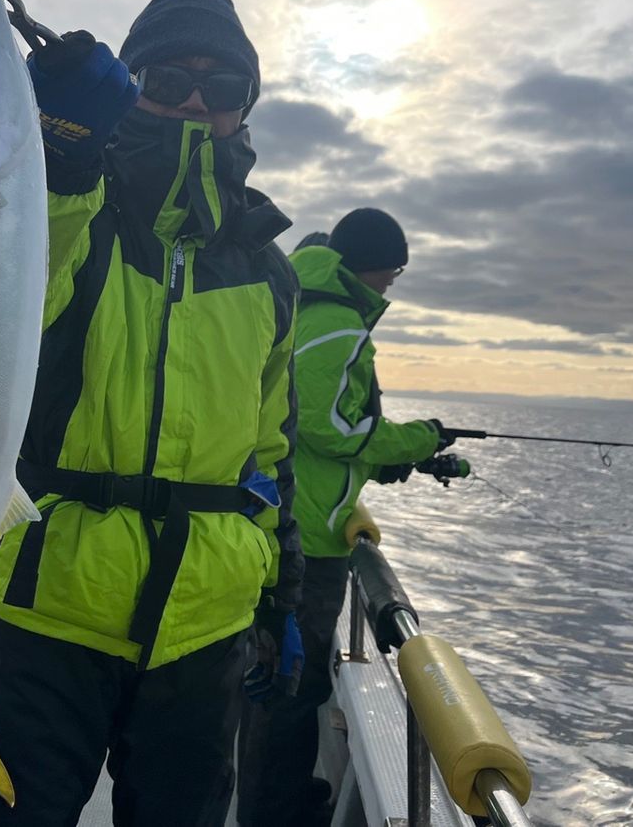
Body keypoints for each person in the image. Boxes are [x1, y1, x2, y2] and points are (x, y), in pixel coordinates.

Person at [0, 0, 303, 826]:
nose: (193, 103)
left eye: (221, 89)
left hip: (204, 630)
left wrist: (281, 602)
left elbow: (270, 458)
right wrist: (60, 157)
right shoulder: (73, 211)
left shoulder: (270, 275)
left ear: (244, 110)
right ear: (132, 87)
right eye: (167, 80)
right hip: (45, 611)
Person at [237, 208, 457, 825]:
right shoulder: (339, 325)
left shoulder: (305, 303)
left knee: (273, 681)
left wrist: (384, 458)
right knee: (292, 687)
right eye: (395, 269)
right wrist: (417, 439)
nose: (394, 281)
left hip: (282, 516)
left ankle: (273, 800)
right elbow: (328, 426)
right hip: (309, 537)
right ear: (373, 263)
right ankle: (273, 811)